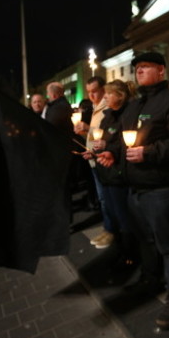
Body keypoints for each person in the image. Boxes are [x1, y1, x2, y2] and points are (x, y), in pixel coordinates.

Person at [112, 51, 169, 331]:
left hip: (161, 189)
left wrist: (149, 153)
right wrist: (112, 155)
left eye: (146, 67)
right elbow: (123, 140)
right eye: (137, 68)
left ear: (161, 70)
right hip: (135, 188)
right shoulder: (134, 105)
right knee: (146, 241)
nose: (139, 72)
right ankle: (151, 278)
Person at [91, 80, 137, 263]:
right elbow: (101, 136)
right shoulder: (107, 115)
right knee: (112, 213)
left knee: (123, 216)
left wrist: (107, 145)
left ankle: (129, 256)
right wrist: (94, 150)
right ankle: (118, 251)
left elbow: (125, 141)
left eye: (109, 94)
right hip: (105, 172)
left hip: (118, 173)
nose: (105, 97)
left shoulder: (128, 114)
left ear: (120, 95)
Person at [75, 76, 113, 248]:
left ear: (103, 89)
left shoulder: (107, 106)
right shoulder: (96, 107)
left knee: (106, 199)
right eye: (89, 92)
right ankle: (108, 229)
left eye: (94, 91)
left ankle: (111, 231)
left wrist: (87, 128)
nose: (91, 95)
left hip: (104, 159)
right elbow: (94, 136)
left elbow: (108, 132)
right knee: (102, 198)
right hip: (94, 158)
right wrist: (83, 134)